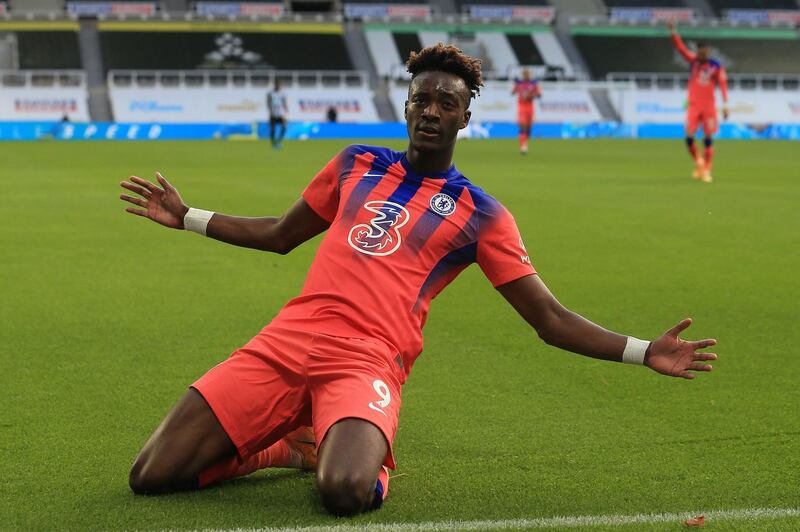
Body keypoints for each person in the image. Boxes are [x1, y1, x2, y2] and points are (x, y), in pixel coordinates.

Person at [119, 44, 717, 517]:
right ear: (406, 106)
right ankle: (284, 447)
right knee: (151, 477)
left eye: (446, 103)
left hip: (367, 361)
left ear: (465, 117)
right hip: (289, 340)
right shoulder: (355, 163)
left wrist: (644, 353)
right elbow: (279, 233)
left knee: (344, 494)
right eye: (421, 98)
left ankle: (337, 452)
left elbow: (549, 320)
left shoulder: (482, 214)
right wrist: (189, 217)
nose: (431, 110)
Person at [668, 21, 729, 183]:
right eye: (701, 52)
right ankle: (698, 162)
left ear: (708, 52)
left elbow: (723, 85)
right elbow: (681, 48)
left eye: (705, 52)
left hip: (709, 106)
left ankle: (707, 170)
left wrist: (725, 105)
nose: (703, 55)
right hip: (694, 105)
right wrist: (673, 32)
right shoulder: (693, 61)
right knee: (688, 136)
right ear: (698, 52)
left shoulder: (716, 66)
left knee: (708, 138)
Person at [511, 68, 541, 155]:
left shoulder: (534, 84)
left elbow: (539, 94)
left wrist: (532, 95)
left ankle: (525, 142)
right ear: (523, 75)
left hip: (530, 108)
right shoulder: (519, 83)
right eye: (525, 74)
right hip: (522, 108)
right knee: (523, 127)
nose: (526, 76)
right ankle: (523, 146)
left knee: (528, 129)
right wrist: (516, 87)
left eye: (528, 74)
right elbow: (513, 92)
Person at [267, 79, 288, 149]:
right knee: (272, 129)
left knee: (284, 127)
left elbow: (284, 102)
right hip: (273, 114)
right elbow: (268, 103)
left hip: (280, 114)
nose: (278, 86)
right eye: (277, 84)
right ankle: (273, 143)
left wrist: (286, 111)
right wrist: (270, 111)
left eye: (279, 85)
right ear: (275, 85)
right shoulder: (271, 93)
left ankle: (279, 141)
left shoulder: (282, 93)